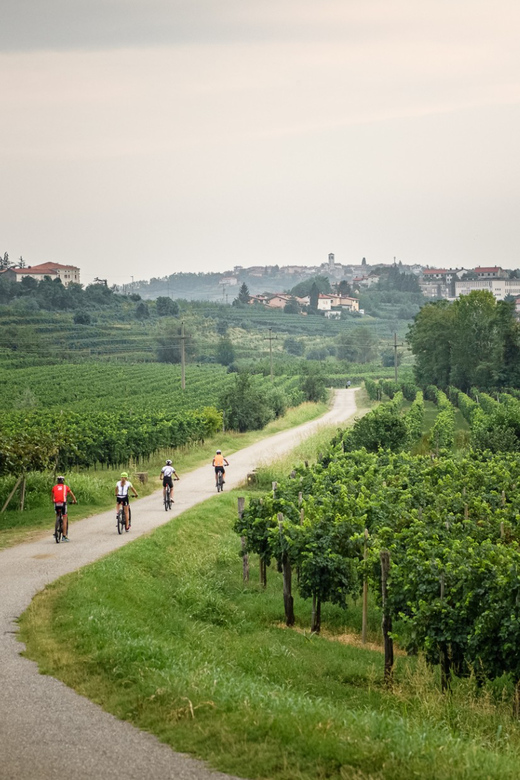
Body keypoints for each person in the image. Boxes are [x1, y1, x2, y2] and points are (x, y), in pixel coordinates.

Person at [51, 475, 77, 542]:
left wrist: (53, 500)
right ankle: (64, 536)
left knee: (57, 515)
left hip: (56, 504)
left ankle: (56, 532)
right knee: (65, 518)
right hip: (63, 504)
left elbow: (52, 497)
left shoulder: (54, 487)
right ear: (63, 481)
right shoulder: (66, 487)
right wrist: (74, 501)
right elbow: (72, 494)